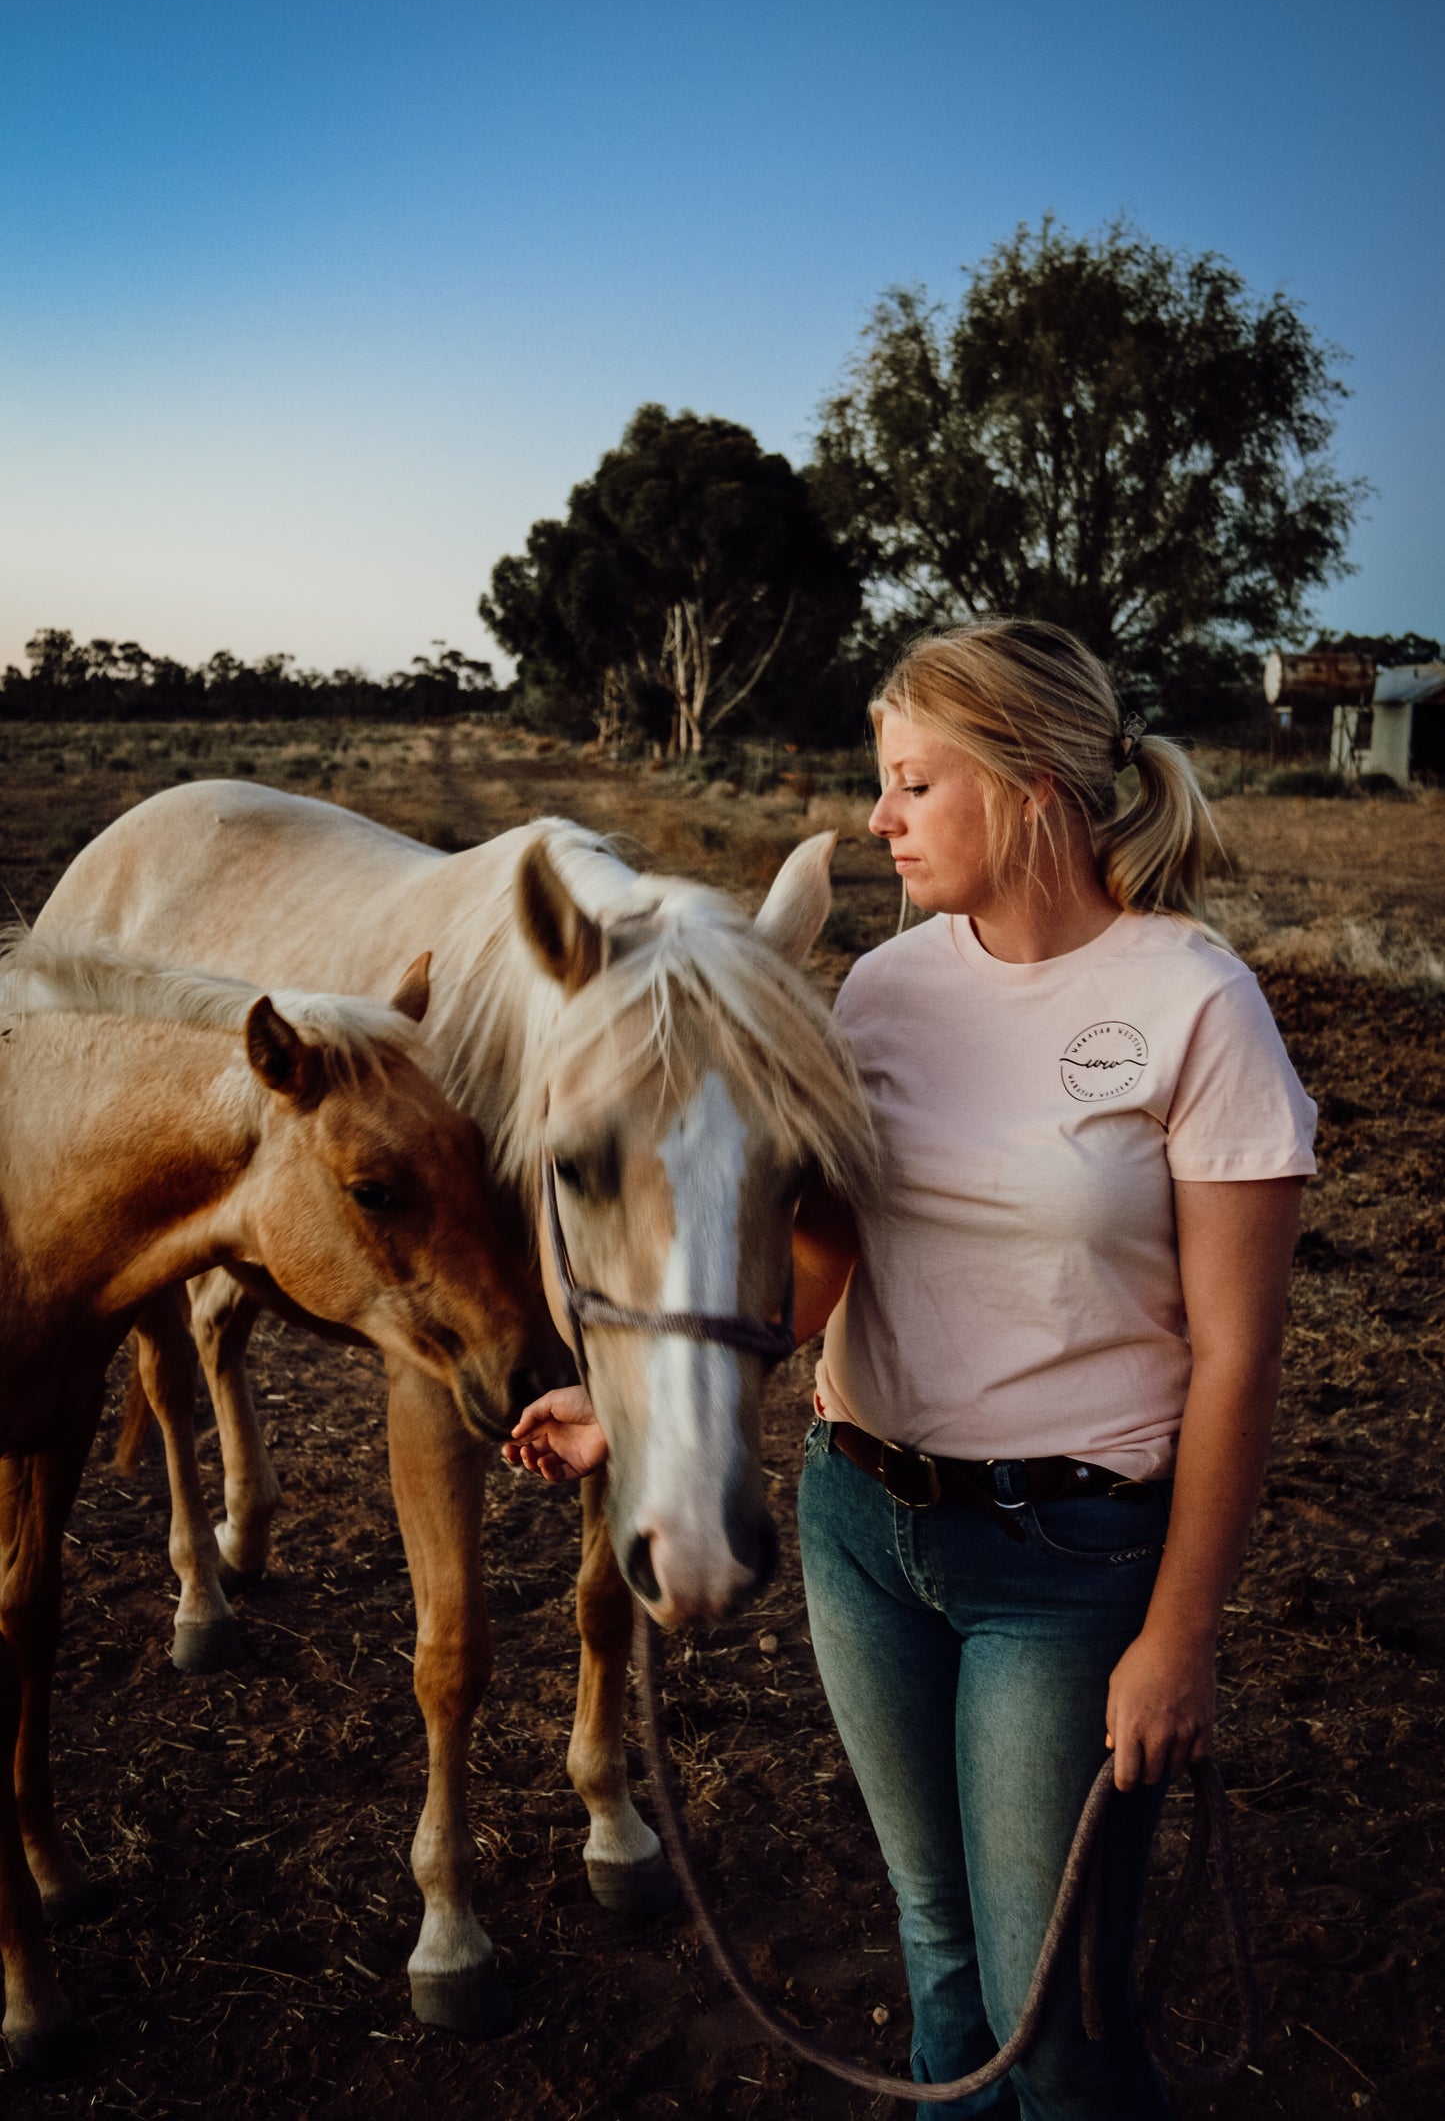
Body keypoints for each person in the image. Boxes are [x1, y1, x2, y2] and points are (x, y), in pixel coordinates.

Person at [504, 619, 1315, 2121]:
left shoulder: (1194, 1005)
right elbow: (826, 1265)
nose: (875, 817)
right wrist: (636, 1416)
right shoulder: (876, 992)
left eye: (908, 782)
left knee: (1052, 2022)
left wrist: (1181, 1633)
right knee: (938, 1960)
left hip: (1068, 1562)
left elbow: (1244, 1352)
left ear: (1024, 788)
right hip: (859, 1524)